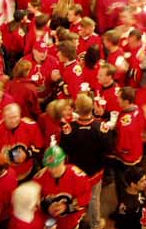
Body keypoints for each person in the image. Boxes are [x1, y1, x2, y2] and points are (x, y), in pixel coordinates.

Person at [60, 93, 114, 229]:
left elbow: (63, 150)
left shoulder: (68, 128)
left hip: (75, 172)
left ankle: (77, 220)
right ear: (91, 108)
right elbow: (109, 148)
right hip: (95, 171)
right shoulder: (101, 127)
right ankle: (95, 224)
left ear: (77, 109)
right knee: (94, 198)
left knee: (75, 197)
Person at [34, 141, 92, 229]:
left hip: (71, 223)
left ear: (63, 160)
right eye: (49, 166)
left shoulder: (78, 176)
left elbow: (85, 198)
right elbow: (34, 201)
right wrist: (46, 207)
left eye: (56, 165)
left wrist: (67, 207)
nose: (52, 170)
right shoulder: (39, 178)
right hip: (50, 224)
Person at [0, 103, 44, 182]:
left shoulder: (31, 126)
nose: (13, 120)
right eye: (10, 118)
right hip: (8, 177)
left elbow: (39, 147)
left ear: (20, 115)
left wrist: (27, 154)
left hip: (29, 172)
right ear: (4, 117)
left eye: (16, 117)